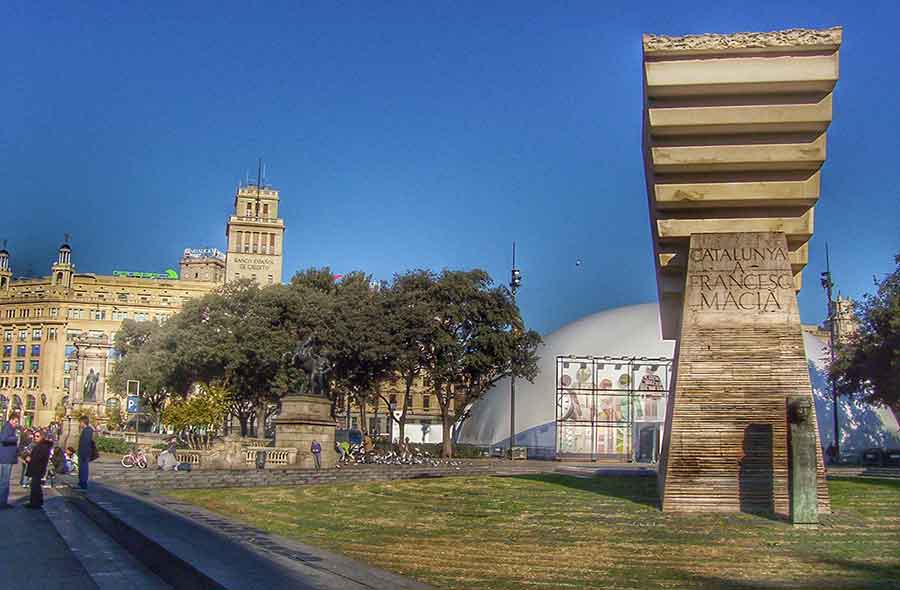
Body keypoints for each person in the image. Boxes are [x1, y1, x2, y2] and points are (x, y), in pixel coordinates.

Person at [25, 430, 51, 509]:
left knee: (35, 486)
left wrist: (30, 459)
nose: (35, 438)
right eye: (34, 436)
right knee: (35, 486)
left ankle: (35, 503)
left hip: (38, 468)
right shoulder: (39, 445)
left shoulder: (43, 446)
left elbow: (40, 458)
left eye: (37, 436)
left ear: (42, 437)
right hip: (36, 467)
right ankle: (36, 502)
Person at [0, 414, 20, 508]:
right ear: (11, 420)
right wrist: (15, 438)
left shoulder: (9, 428)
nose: (17, 423)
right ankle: (2, 502)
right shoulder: (7, 427)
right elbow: (3, 438)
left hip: (7, 457)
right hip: (6, 458)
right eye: (16, 421)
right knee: (5, 481)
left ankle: (3, 501)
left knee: (5, 480)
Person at [76, 415, 94, 490]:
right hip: (83, 453)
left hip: (84, 453)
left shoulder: (87, 430)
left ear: (83, 422)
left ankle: (83, 483)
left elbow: (85, 443)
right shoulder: (86, 430)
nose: (80, 424)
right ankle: (81, 482)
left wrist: (83, 454)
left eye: (80, 422)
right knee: (81, 468)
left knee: (84, 468)